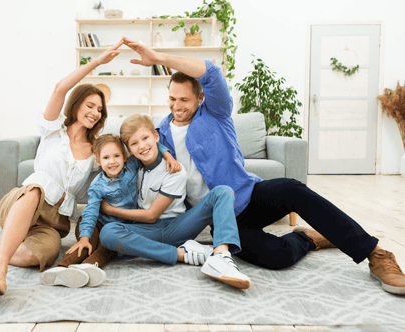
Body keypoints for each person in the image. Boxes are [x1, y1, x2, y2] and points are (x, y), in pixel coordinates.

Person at [122, 36, 405, 295]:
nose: (177, 106)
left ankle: (377, 254)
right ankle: (307, 239)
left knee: (293, 189)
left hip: (250, 196)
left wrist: (158, 57)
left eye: (184, 99)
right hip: (223, 219)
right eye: (172, 99)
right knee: (275, 257)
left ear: (200, 98)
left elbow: (211, 72)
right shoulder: (161, 131)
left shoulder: (217, 112)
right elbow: (142, 151)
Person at [0, 40, 124, 297]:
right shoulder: (53, 129)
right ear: (77, 104)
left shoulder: (94, 151)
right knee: (36, 190)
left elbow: (120, 160)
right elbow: (60, 88)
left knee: (35, 258)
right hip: (23, 201)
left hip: (55, 220)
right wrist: (97, 62)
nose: (94, 112)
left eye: (99, 109)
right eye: (89, 105)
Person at [98, 114, 251, 289]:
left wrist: (110, 210)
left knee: (223, 192)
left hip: (176, 228)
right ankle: (183, 254)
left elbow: (150, 216)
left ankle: (221, 256)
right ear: (129, 151)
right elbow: (133, 153)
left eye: (145, 138)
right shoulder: (133, 164)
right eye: (134, 144)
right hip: (148, 231)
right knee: (108, 232)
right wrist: (165, 152)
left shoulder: (175, 171)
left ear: (156, 136)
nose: (142, 146)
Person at [40, 133, 181, 288]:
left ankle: (87, 268)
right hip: (96, 223)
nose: (112, 162)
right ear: (98, 161)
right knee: (86, 245)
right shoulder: (97, 185)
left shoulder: (133, 166)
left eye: (116, 156)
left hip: (120, 228)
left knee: (107, 248)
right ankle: (60, 269)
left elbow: (151, 147)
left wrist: (169, 156)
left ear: (125, 156)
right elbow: (91, 211)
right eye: (106, 158)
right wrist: (84, 237)